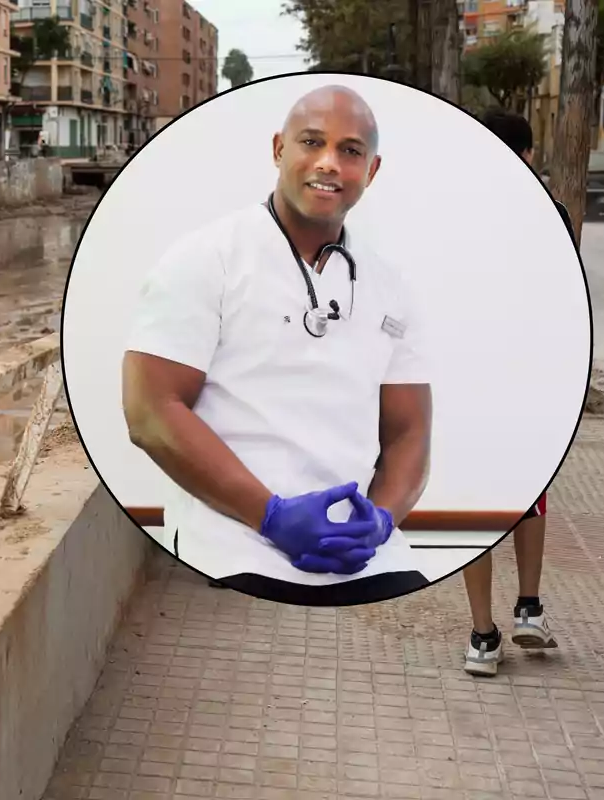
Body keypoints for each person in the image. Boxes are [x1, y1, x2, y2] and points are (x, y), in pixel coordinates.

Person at [123, 85, 434, 606]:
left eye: (350, 151)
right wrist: (271, 515)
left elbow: (409, 432)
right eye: (311, 142)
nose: (329, 163)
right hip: (231, 542)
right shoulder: (206, 259)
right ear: (278, 150)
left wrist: (380, 521)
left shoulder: (390, 286)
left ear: (372, 170)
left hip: (359, 554)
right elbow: (149, 411)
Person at [461, 108, 571, 676]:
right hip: (530, 382)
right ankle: (528, 608)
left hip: (469, 380)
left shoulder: (456, 217)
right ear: (528, 155)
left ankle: (483, 636)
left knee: (475, 505)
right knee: (530, 495)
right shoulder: (551, 215)